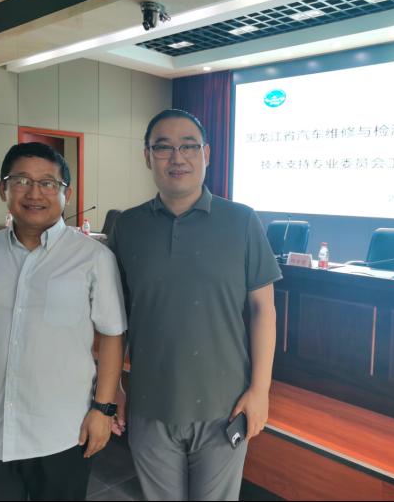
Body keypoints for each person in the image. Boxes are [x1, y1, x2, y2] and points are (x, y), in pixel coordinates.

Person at [0, 142, 127, 501]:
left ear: (66, 194)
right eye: (21, 180)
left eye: (48, 183)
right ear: (2, 189)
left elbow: (113, 335)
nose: (35, 193)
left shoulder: (94, 259)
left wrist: (103, 409)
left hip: (64, 434)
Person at [109, 109, 281, 501]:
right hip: (149, 402)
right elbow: (116, 318)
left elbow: (263, 310)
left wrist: (260, 390)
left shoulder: (241, 221)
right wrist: (114, 386)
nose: (177, 157)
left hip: (224, 404)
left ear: (206, 153)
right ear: (147, 156)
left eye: (188, 146)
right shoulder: (128, 226)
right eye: (163, 147)